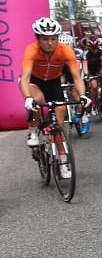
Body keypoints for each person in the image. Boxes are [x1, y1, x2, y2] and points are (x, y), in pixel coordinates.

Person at [20, 17, 90, 179]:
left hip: (53, 82)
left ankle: (64, 161)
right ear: (38, 39)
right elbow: (25, 77)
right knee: (36, 100)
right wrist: (28, 97)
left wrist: (83, 95)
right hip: (33, 81)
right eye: (45, 39)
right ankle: (32, 131)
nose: (50, 43)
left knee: (59, 122)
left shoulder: (65, 50)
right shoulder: (31, 50)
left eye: (53, 39)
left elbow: (76, 77)